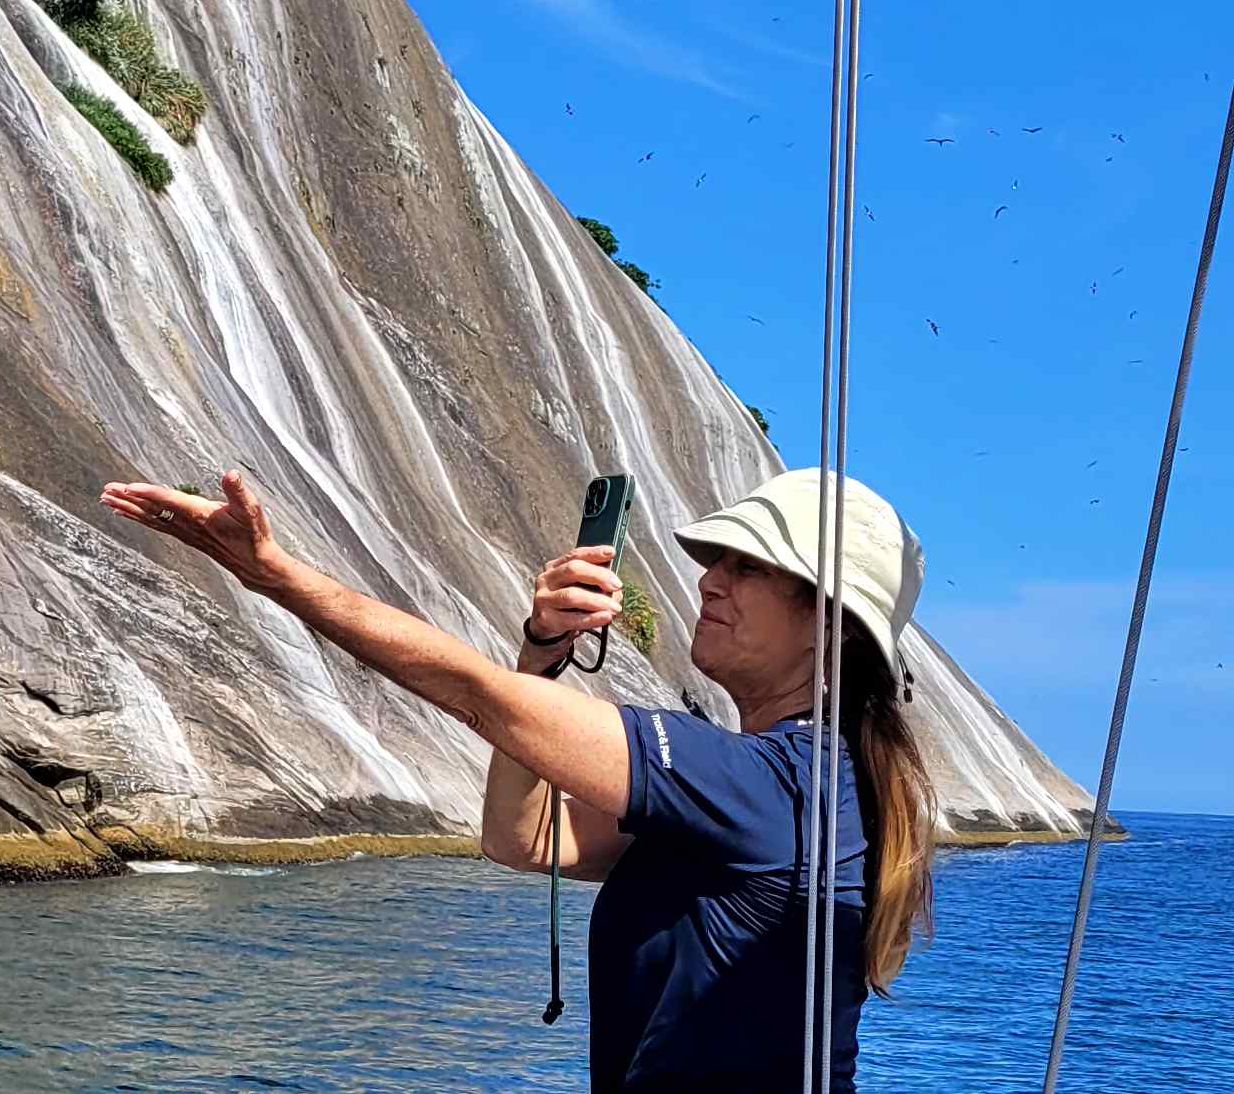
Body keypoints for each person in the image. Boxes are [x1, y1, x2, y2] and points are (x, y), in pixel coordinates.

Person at [99, 463, 935, 1092]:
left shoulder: (782, 785)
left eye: (747, 566)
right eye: (717, 557)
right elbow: (524, 835)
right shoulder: (777, 786)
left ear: (827, 619)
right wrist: (541, 655)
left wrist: (274, 574)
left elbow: (475, 696)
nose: (709, 579)